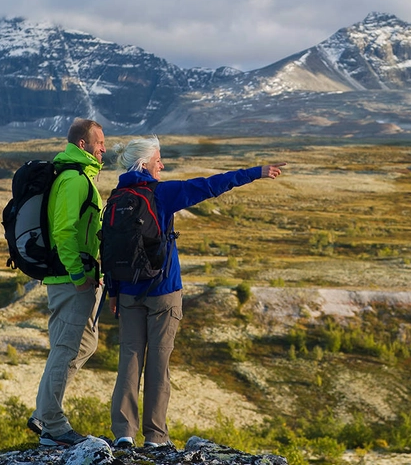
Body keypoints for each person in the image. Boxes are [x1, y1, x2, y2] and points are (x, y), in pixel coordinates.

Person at [106, 136, 285, 450]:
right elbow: (210, 185)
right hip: (163, 290)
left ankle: (123, 434)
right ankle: (156, 437)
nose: (162, 164)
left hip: (127, 292)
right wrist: (256, 171)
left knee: (129, 361)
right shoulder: (162, 193)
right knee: (159, 365)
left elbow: (107, 246)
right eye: (158, 159)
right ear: (145, 163)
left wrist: (113, 291)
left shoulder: (117, 196)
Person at [29, 118, 106, 447]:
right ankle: (53, 426)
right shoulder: (74, 180)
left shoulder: (79, 177)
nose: (106, 148)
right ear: (83, 145)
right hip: (71, 279)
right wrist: (78, 276)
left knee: (83, 345)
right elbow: (64, 231)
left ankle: (42, 413)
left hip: (77, 278)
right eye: (100, 142)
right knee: (66, 348)